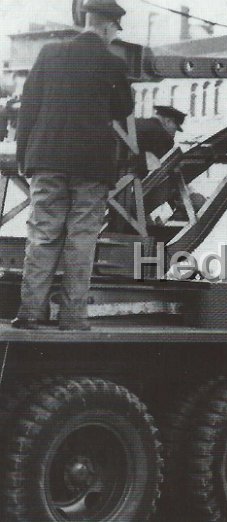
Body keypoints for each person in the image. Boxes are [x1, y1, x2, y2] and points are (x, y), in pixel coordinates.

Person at [11, 0, 133, 330]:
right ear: (108, 27)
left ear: (86, 21)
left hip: (46, 158)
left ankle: (31, 312)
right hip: (91, 165)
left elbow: (28, 108)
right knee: (82, 237)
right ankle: (73, 316)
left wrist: (25, 156)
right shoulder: (112, 62)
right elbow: (124, 108)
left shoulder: (49, 53)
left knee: (43, 233)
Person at [135, 105, 185, 176]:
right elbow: (165, 169)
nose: (174, 134)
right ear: (168, 121)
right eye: (174, 129)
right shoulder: (165, 137)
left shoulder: (136, 123)